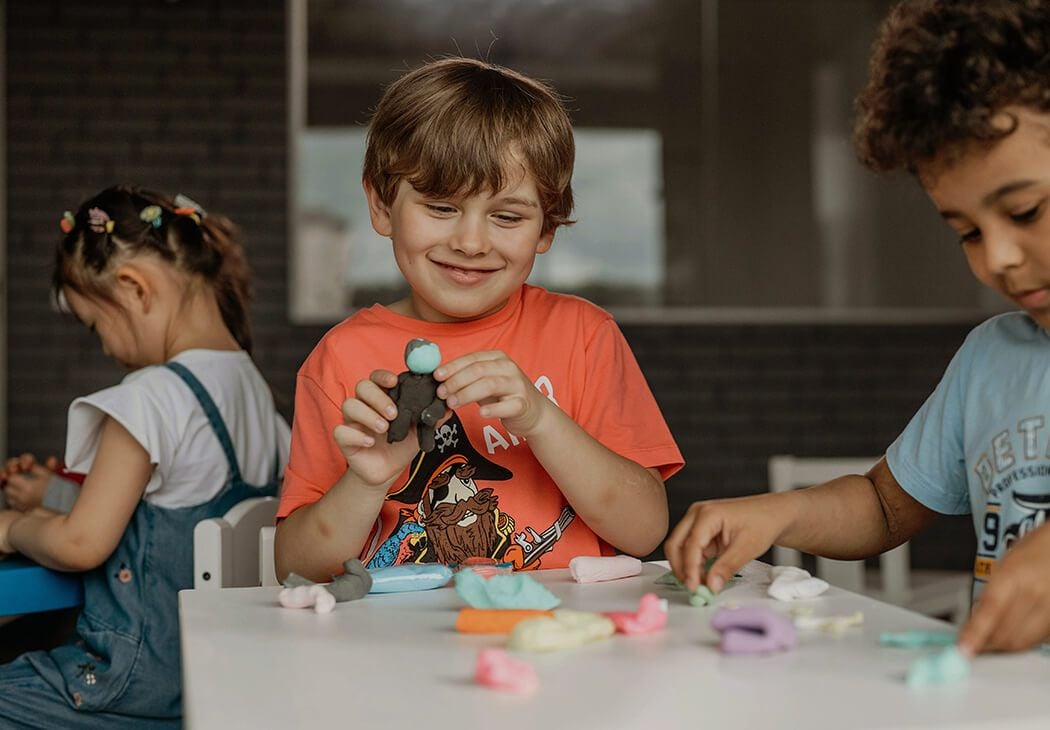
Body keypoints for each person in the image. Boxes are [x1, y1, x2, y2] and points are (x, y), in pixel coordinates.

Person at [665, 0, 1050, 655]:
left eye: (1026, 210)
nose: (997, 258)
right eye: (965, 231)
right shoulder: (991, 358)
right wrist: (776, 512)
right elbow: (882, 505)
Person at [275, 57, 683, 581]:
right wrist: (368, 481)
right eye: (441, 208)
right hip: (395, 649)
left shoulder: (584, 335)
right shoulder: (341, 359)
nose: (471, 243)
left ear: (546, 228)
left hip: (561, 644)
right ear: (380, 205)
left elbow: (644, 531)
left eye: (507, 216)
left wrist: (539, 419)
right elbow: (297, 570)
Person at [0, 185, 290, 727]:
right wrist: (53, 495)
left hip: (125, 685)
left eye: (96, 327)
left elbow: (83, 542)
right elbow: (176, 511)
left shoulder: (150, 396)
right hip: (207, 679)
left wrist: (13, 527)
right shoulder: (255, 395)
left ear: (133, 289)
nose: (107, 349)